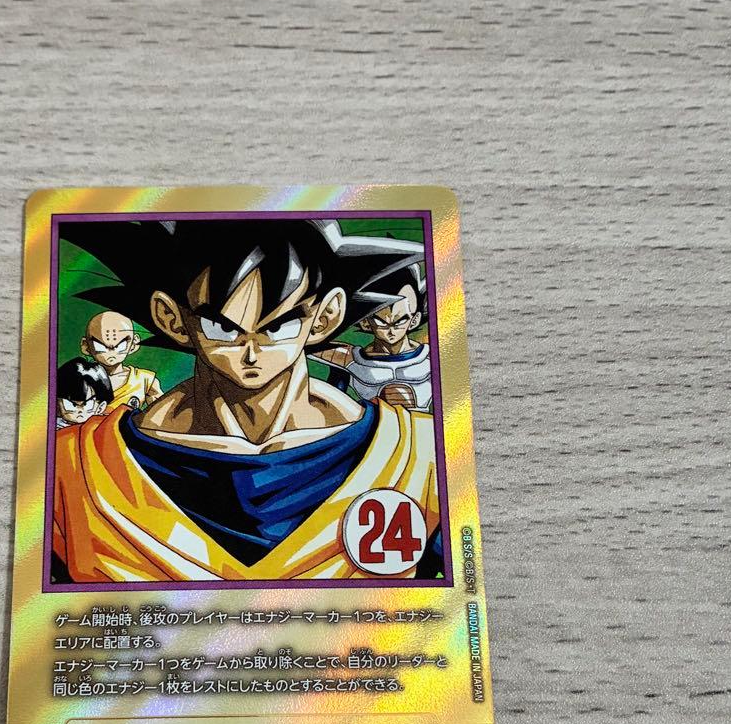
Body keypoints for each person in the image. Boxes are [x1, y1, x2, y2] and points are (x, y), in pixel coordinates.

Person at [50, 219, 440, 583]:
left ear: (325, 317)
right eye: (223, 328)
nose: (251, 352)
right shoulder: (79, 467)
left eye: (279, 325)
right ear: (172, 318)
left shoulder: (416, 455)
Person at [310, 260, 432, 411]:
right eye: (382, 322)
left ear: (414, 320)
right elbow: (332, 406)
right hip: (375, 423)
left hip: (423, 423)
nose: (391, 330)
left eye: (400, 321)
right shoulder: (349, 360)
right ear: (365, 322)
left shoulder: (431, 357)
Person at [80, 310, 163, 411]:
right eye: (100, 346)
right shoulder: (80, 378)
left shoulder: (144, 380)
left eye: (120, 345)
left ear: (134, 344)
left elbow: (161, 413)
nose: (111, 352)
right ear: (86, 346)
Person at [55, 357, 113, 429]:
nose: (80, 410)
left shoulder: (105, 426)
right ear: (58, 406)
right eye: (71, 405)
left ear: (100, 407)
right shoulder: (51, 428)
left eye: (87, 404)